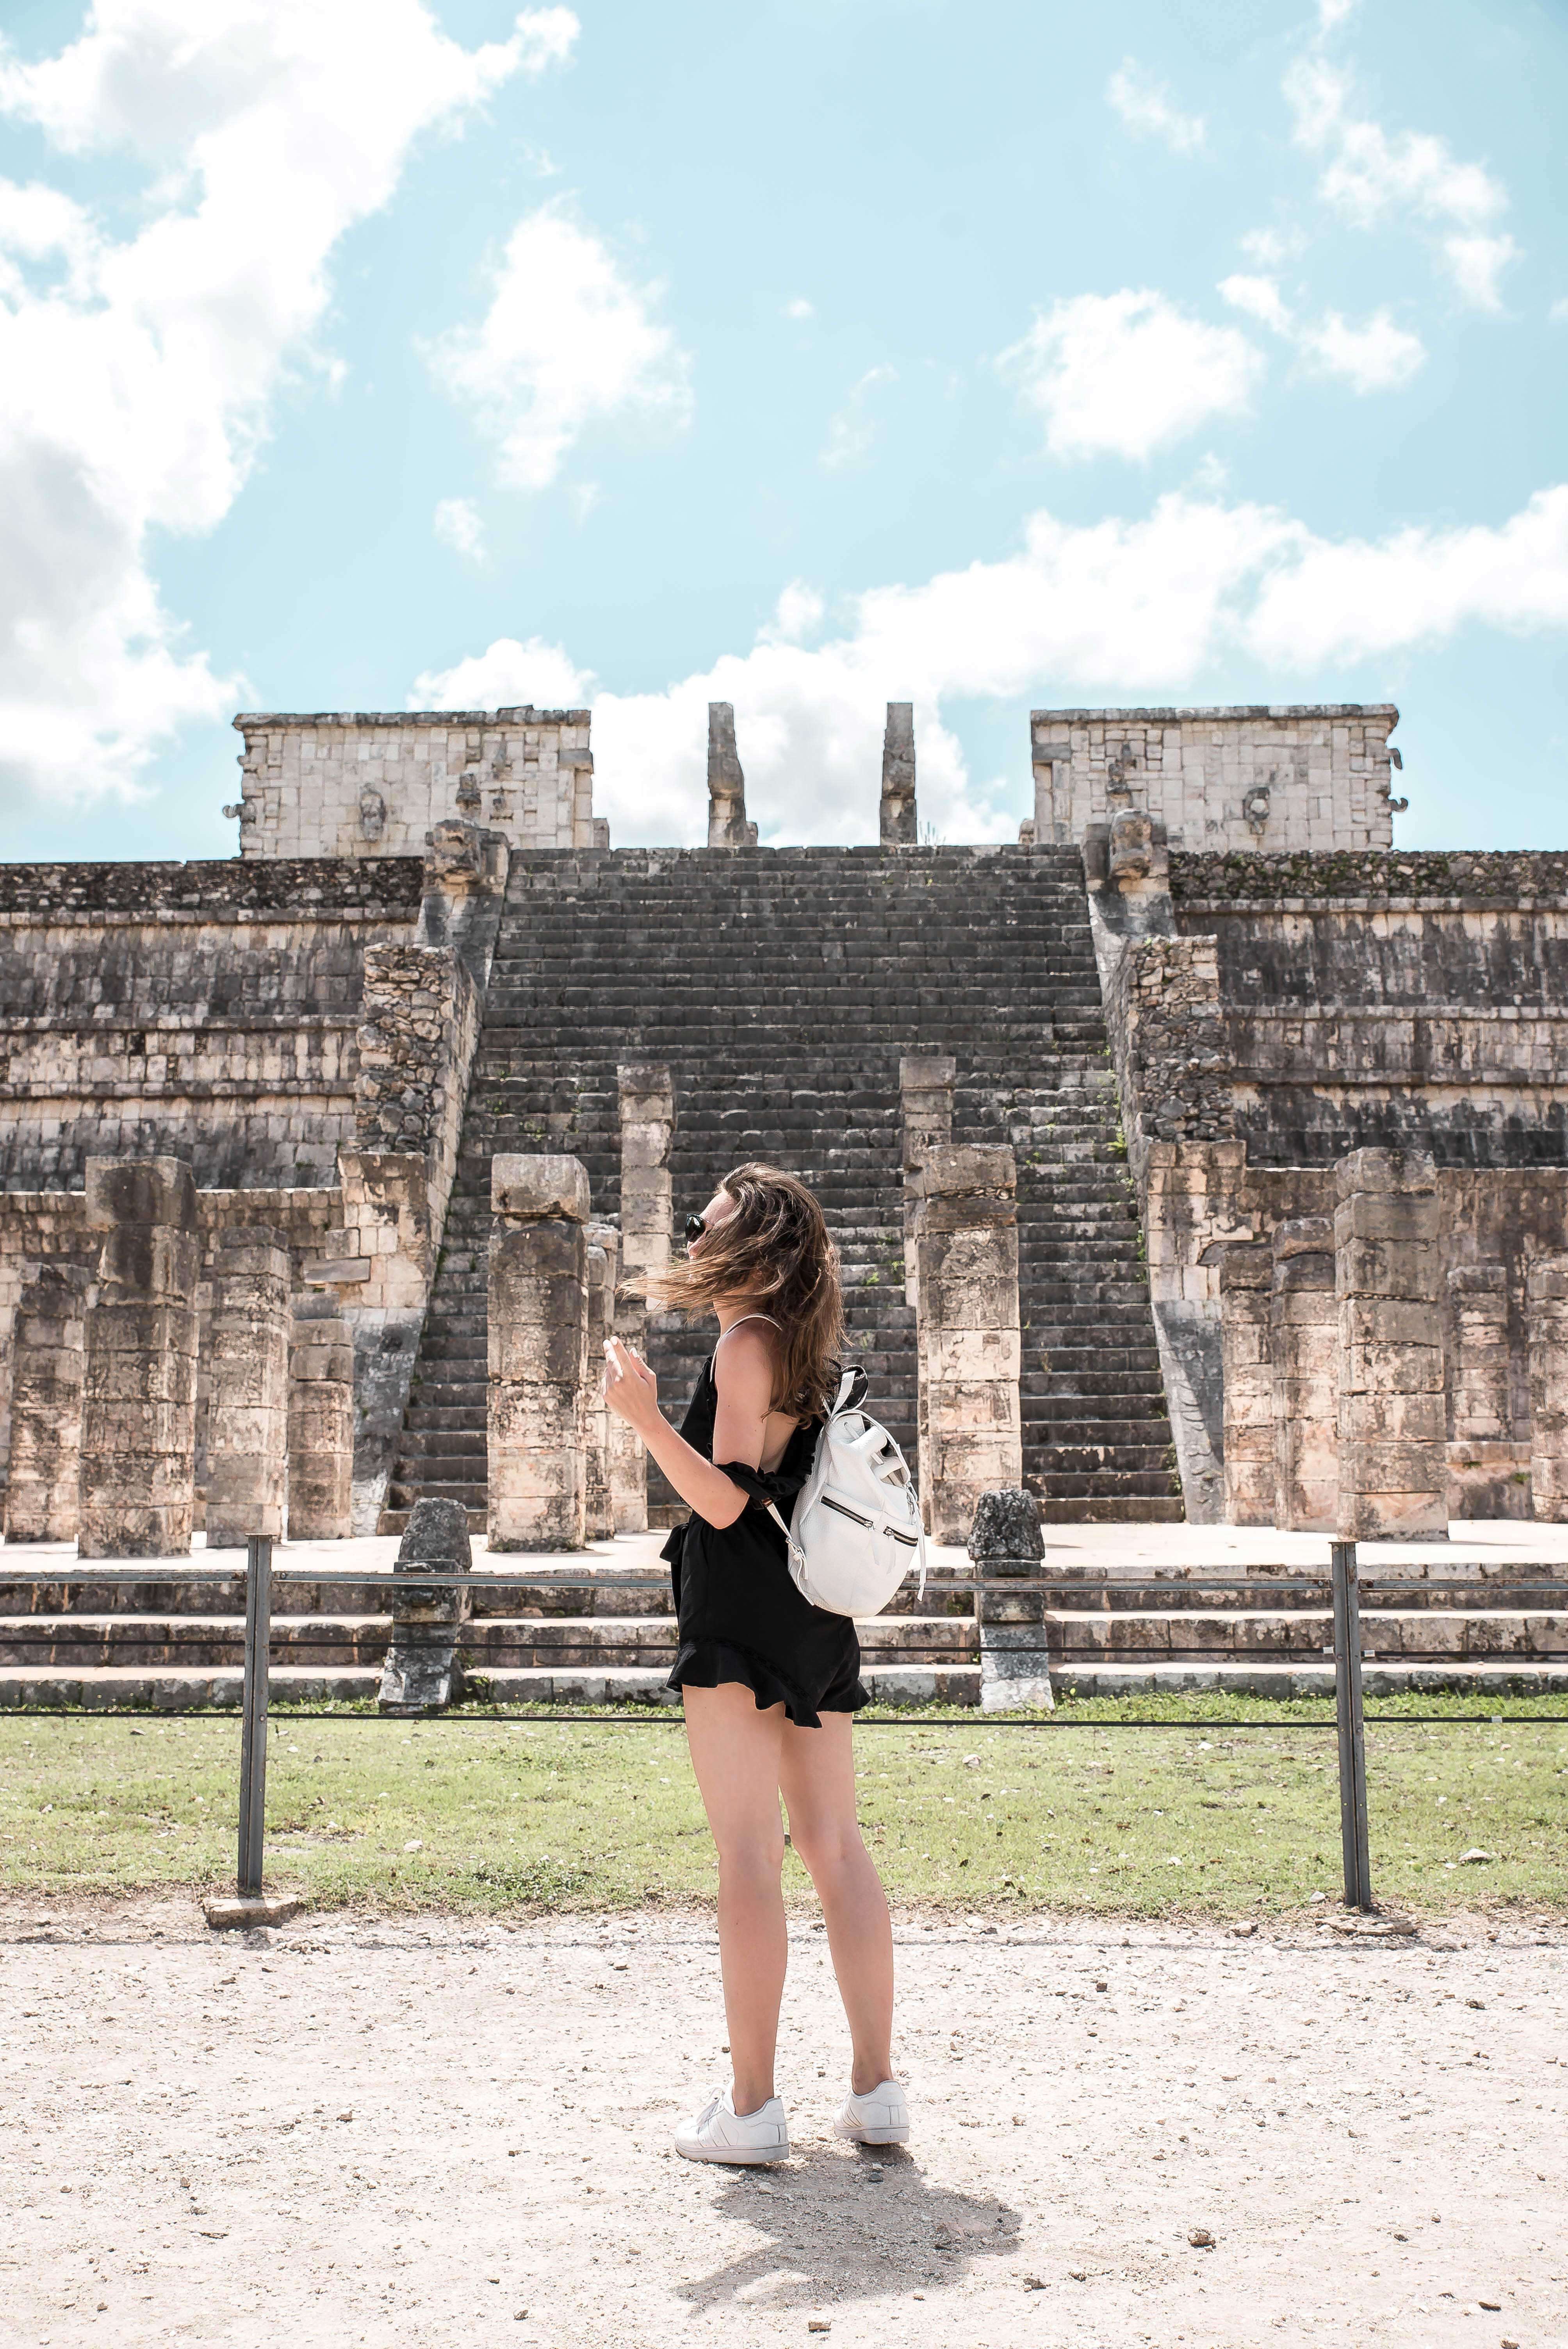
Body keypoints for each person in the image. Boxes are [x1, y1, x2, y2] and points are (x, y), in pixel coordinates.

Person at [603, 1161, 908, 2166]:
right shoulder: (807, 1341)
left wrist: (647, 1421)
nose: (692, 1236)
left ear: (753, 1246)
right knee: (836, 1844)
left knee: (748, 1853)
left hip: (739, 1611)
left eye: (707, 1221)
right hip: (812, 1610)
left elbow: (727, 1501)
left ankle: (752, 2105)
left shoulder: (746, 1343)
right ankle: (874, 2089)